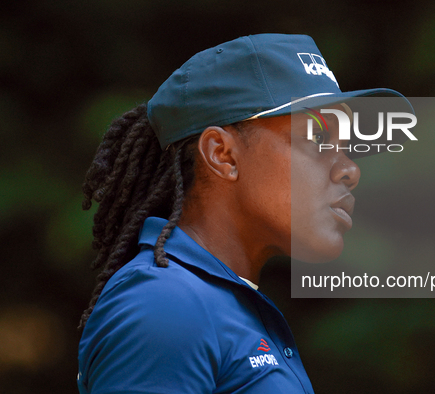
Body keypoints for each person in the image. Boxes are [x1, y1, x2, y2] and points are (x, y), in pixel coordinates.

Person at [77, 33, 403, 393]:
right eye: (317, 140)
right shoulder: (165, 306)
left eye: (345, 148)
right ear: (223, 155)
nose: (350, 170)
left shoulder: (218, 304)